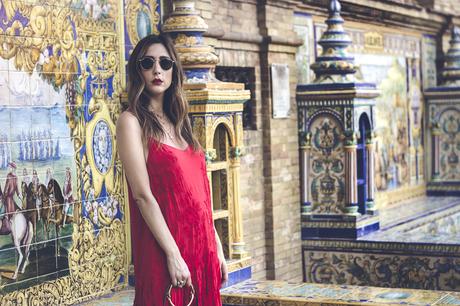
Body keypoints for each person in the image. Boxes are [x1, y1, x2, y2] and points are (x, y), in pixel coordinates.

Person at [116, 33, 227, 306]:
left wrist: (217, 245)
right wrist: (173, 254)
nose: (157, 70)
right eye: (148, 63)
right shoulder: (131, 121)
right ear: (138, 70)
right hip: (164, 248)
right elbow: (142, 196)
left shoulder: (181, 122)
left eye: (165, 63)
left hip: (202, 247)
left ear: (173, 71)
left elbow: (199, 192)